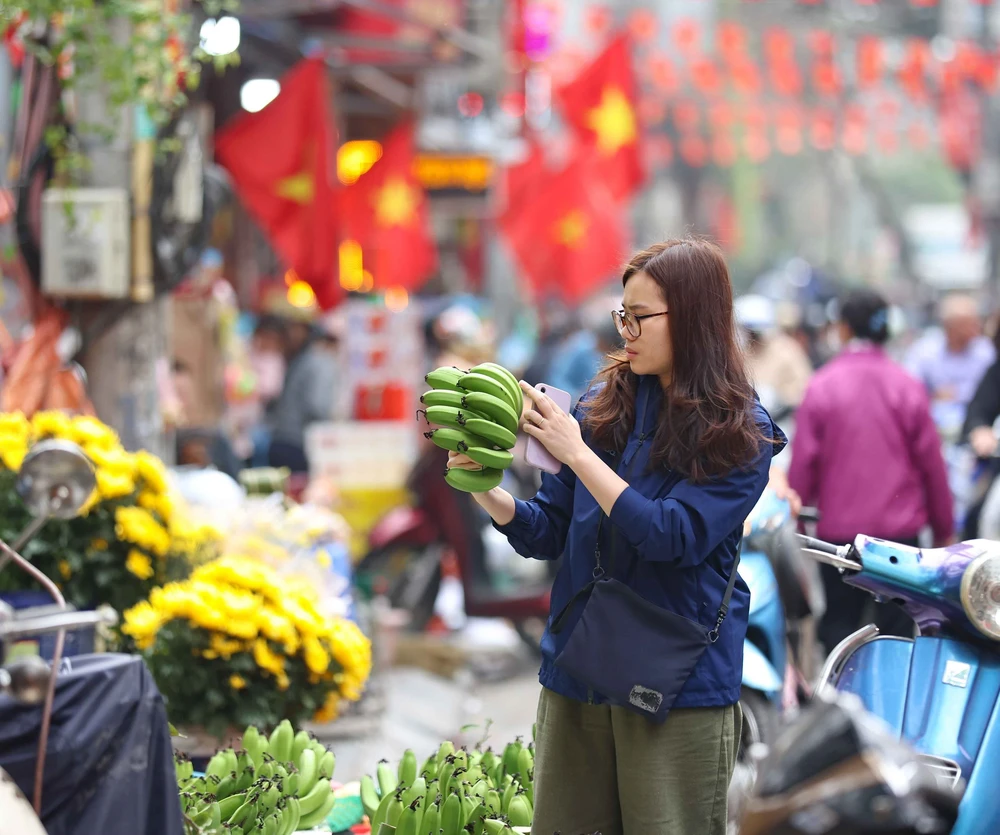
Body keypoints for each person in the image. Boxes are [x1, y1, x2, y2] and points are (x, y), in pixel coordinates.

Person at [448, 239, 785, 835]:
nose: (625, 330)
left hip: (675, 686)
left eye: (640, 316)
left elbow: (671, 536)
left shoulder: (741, 431)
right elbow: (548, 529)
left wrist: (576, 454)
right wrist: (483, 489)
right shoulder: (604, 403)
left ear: (694, 317)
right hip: (578, 667)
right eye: (620, 315)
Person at [788, 289, 953, 655]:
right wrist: (944, 530)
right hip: (900, 542)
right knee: (896, 639)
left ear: (843, 329)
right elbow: (932, 466)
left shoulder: (822, 386)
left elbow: (802, 468)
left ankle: (838, 708)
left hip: (839, 543)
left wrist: (796, 527)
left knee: (839, 635)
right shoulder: (907, 386)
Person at [267, 317, 338, 474]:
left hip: (283, 440)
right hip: (298, 443)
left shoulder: (303, 359)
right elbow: (317, 406)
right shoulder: (320, 361)